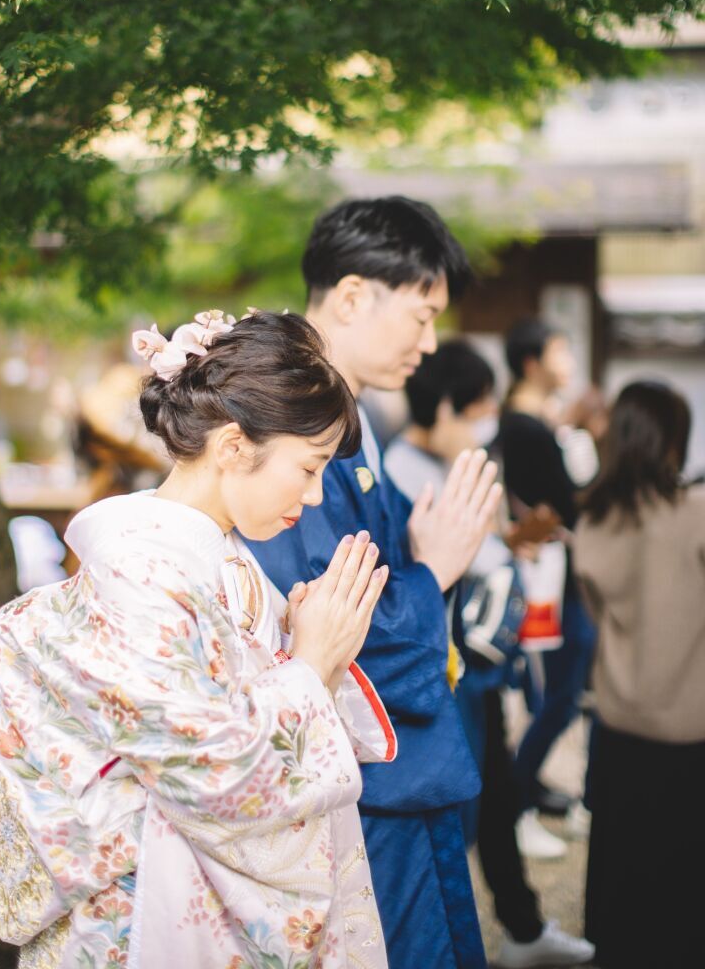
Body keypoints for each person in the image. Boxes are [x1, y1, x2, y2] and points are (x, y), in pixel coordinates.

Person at [0, 309, 398, 969]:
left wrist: (312, 654)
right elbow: (211, 775)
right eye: (308, 468)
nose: (314, 498)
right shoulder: (140, 568)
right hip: (149, 913)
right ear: (233, 446)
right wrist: (312, 664)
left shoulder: (217, 555)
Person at [248, 197, 503, 969]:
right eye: (422, 315)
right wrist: (437, 568)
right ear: (354, 295)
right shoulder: (291, 419)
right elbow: (326, 622)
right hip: (354, 782)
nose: (430, 343)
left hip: (381, 774)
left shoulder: (347, 422)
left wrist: (429, 563)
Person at [386, 340, 595, 969]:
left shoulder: (430, 462)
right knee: (466, 806)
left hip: (471, 665)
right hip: (446, 671)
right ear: (447, 407)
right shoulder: (405, 473)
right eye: (478, 408)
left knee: (494, 794)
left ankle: (522, 929)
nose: (486, 421)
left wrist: (506, 541)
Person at [575, 380, 705, 969]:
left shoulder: (593, 520)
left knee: (621, 874)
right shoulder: (694, 515)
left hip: (619, 724)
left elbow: (600, 615)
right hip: (689, 730)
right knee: (682, 886)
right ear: (673, 440)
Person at [497, 319, 596, 859]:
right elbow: (564, 503)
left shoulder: (534, 421)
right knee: (555, 696)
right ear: (532, 361)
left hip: (556, 573)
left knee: (553, 695)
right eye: (560, 351)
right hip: (549, 576)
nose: (570, 361)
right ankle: (516, 804)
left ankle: (525, 794)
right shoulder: (526, 426)